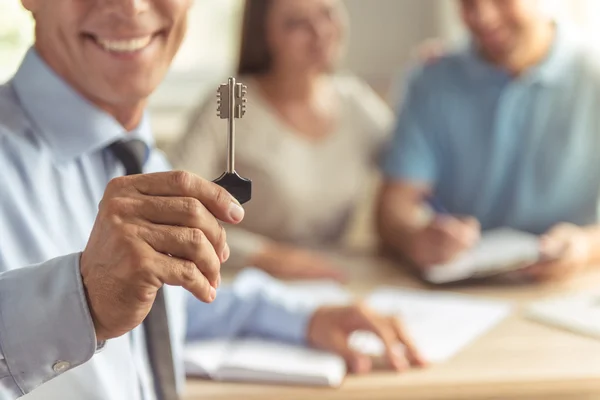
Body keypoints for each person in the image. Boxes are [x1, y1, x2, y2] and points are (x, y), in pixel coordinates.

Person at [0, 0, 427, 399]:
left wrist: (305, 319)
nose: (131, 6)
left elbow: (174, 304)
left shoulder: (142, 158)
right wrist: (81, 302)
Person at [377, 0, 600, 283]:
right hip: (457, 293)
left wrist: (586, 246)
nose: (482, 16)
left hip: (565, 291)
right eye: (468, 3)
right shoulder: (431, 80)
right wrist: (413, 236)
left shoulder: (594, 76)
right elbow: (393, 207)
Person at [170, 0, 393, 282]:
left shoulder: (357, 105)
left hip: (329, 281)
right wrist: (261, 255)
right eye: (296, 23)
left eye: (327, 13)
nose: (320, 31)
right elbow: (172, 207)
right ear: (264, 35)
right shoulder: (228, 104)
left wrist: (431, 80)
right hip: (239, 281)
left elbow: (415, 167)